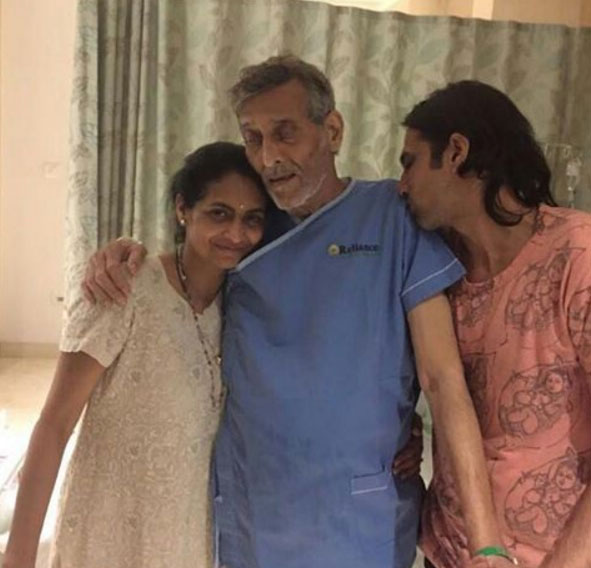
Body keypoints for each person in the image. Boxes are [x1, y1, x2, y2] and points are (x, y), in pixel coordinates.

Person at [82, 56, 515, 568]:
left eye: (285, 133)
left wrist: (487, 543)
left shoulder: (392, 218)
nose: (269, 158)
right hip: (256, 507)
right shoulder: (248, 231)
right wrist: (121, 253)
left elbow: (443, 381)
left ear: (332, 130)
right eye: (253, 138)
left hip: (360, 513)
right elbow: (178, 278)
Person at [2, 142, 271, 568]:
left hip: (187, 539)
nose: (236, 234)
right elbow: (55, 424)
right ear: (183, 209)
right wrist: (19, 555)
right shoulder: (124, 289)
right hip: (105, 532)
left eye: (251, 219)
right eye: (219, 213)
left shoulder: (241, 306)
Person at [399, 80, 591, 568]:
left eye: (410, 162)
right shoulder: (439, 267)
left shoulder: (577, 254)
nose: (402, 185)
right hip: (447, 550)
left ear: (456, 152)